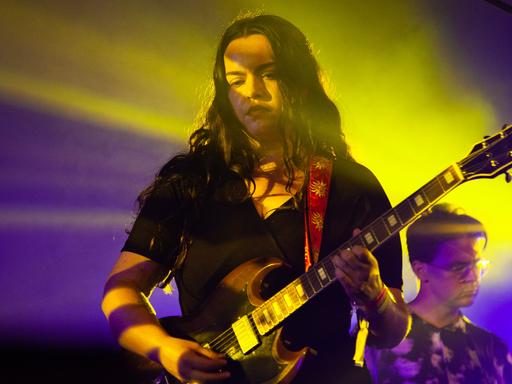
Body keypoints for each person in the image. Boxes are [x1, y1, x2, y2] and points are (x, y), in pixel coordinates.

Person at [101, 13, 409, 384]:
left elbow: (394, 331)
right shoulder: (192, 182)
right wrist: (163, 349)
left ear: (301, 84)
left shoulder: (353, 186)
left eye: (269, 73)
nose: (252, 90)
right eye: (236, 80)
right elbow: (121, 290)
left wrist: (374, 294)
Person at [367, 204, 512, 383]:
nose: (473, 277)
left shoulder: (491, 347)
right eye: (459, 266)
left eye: (477, 264)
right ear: (421, 270)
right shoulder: (379, 340)